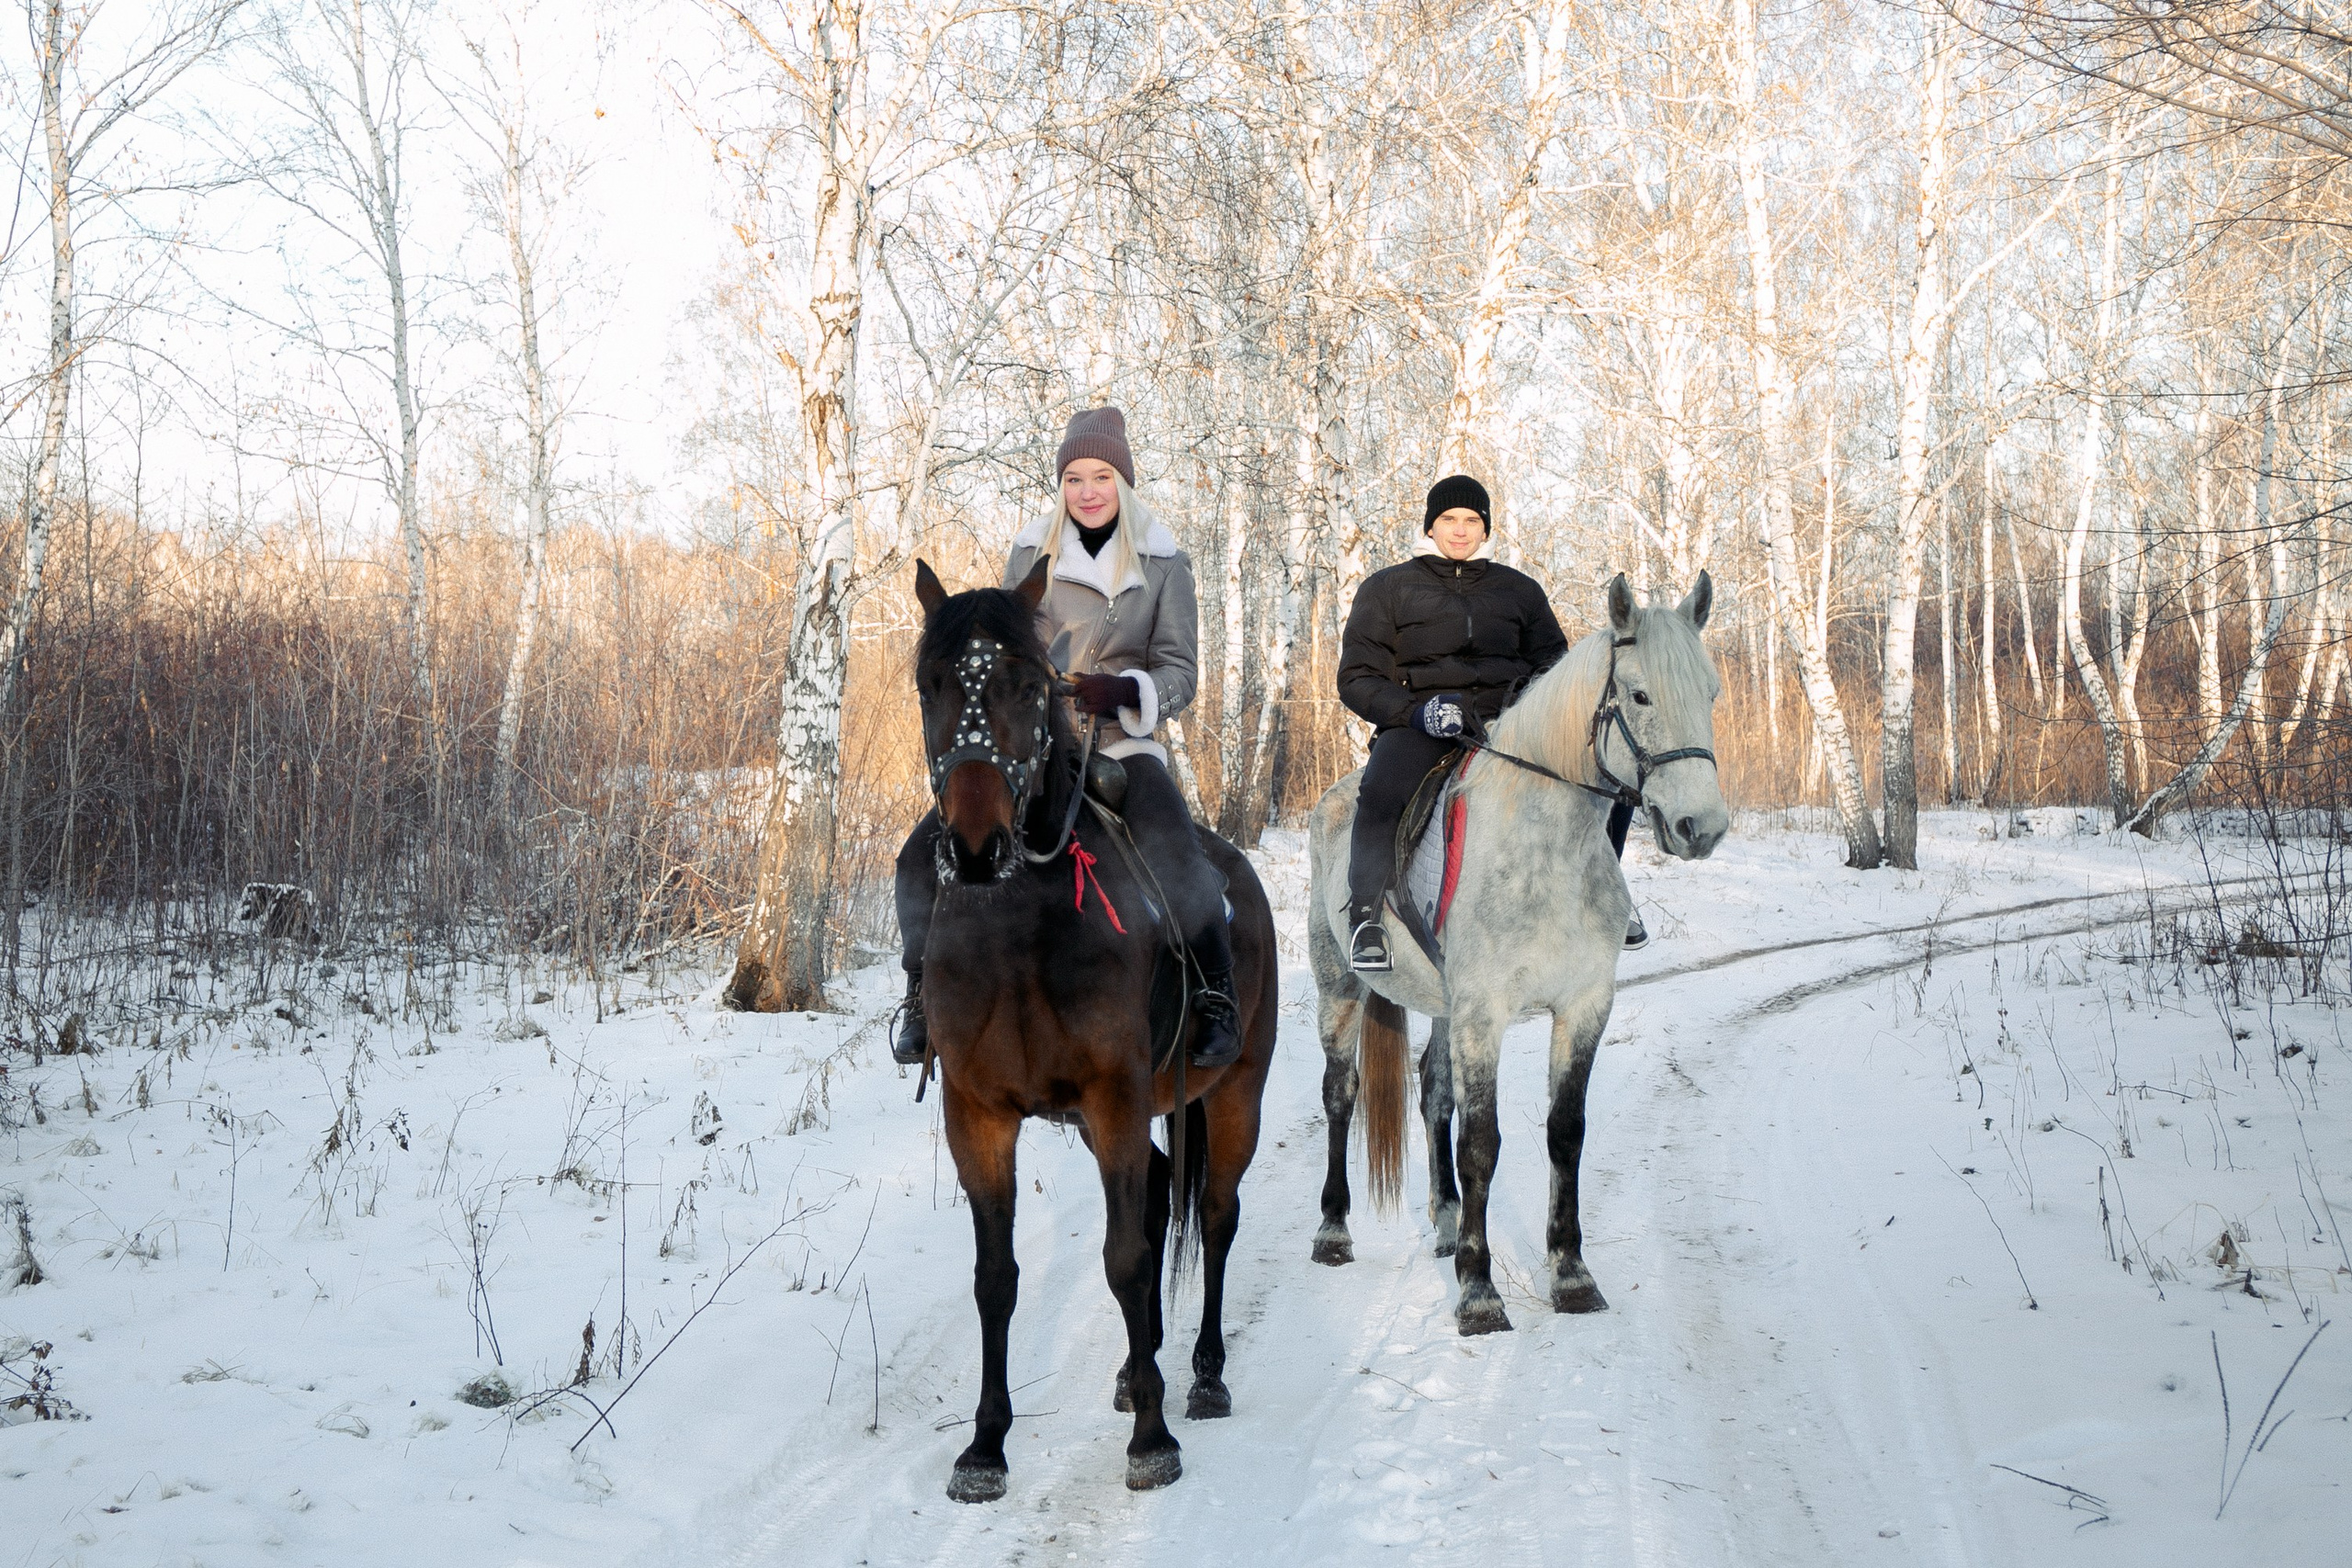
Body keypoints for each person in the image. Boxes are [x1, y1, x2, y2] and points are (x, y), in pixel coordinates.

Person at [893, 407, 1241, 1068]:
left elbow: (1182, 673)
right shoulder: (1030, 553)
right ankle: (919, 996)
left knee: (1176, 848)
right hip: (1036, 745)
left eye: (1101, 475)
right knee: (918, 853)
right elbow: (1004, 652)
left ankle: (1215, 995)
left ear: (1123, 481)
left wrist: (1127, 690)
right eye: (1075, 477)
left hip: (1121, 743)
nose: (1087, 490)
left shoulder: (1167, 564)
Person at [1335, 475, 1641, 972]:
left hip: (1512, 726)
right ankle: (1367, 917)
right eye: (1449, 520)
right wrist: (1417, 713)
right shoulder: (1387, 589)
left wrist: (1529, 709)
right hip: (1424, 725)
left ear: (1486, 529)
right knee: (1382, 789)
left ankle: (1605, 889)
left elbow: (1556, 667)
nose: (1460, 530)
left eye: (1472, 520)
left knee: (1610, 781)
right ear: (1430, 527)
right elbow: (1357, 678)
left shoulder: (1519, 591)